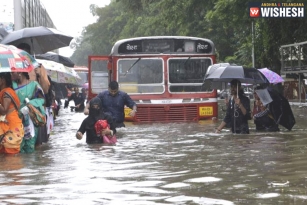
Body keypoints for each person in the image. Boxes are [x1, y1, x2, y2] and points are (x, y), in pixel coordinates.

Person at [11, 72, 45, 153]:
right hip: (15, 119)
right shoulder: (11, 85)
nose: (11, 75)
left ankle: (30, 164)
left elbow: (42, 99)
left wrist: (30, 104)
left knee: (30, 145)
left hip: (30, 119)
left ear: (20, 73)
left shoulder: (34, 85)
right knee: (16, 145)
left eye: (13, 73)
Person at [0, 72, 24, 154]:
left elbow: (4, 110)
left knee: (9, 153)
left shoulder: (6, 92)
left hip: (11, 125)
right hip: (11, 123)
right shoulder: (7, 91)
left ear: (2, 80)